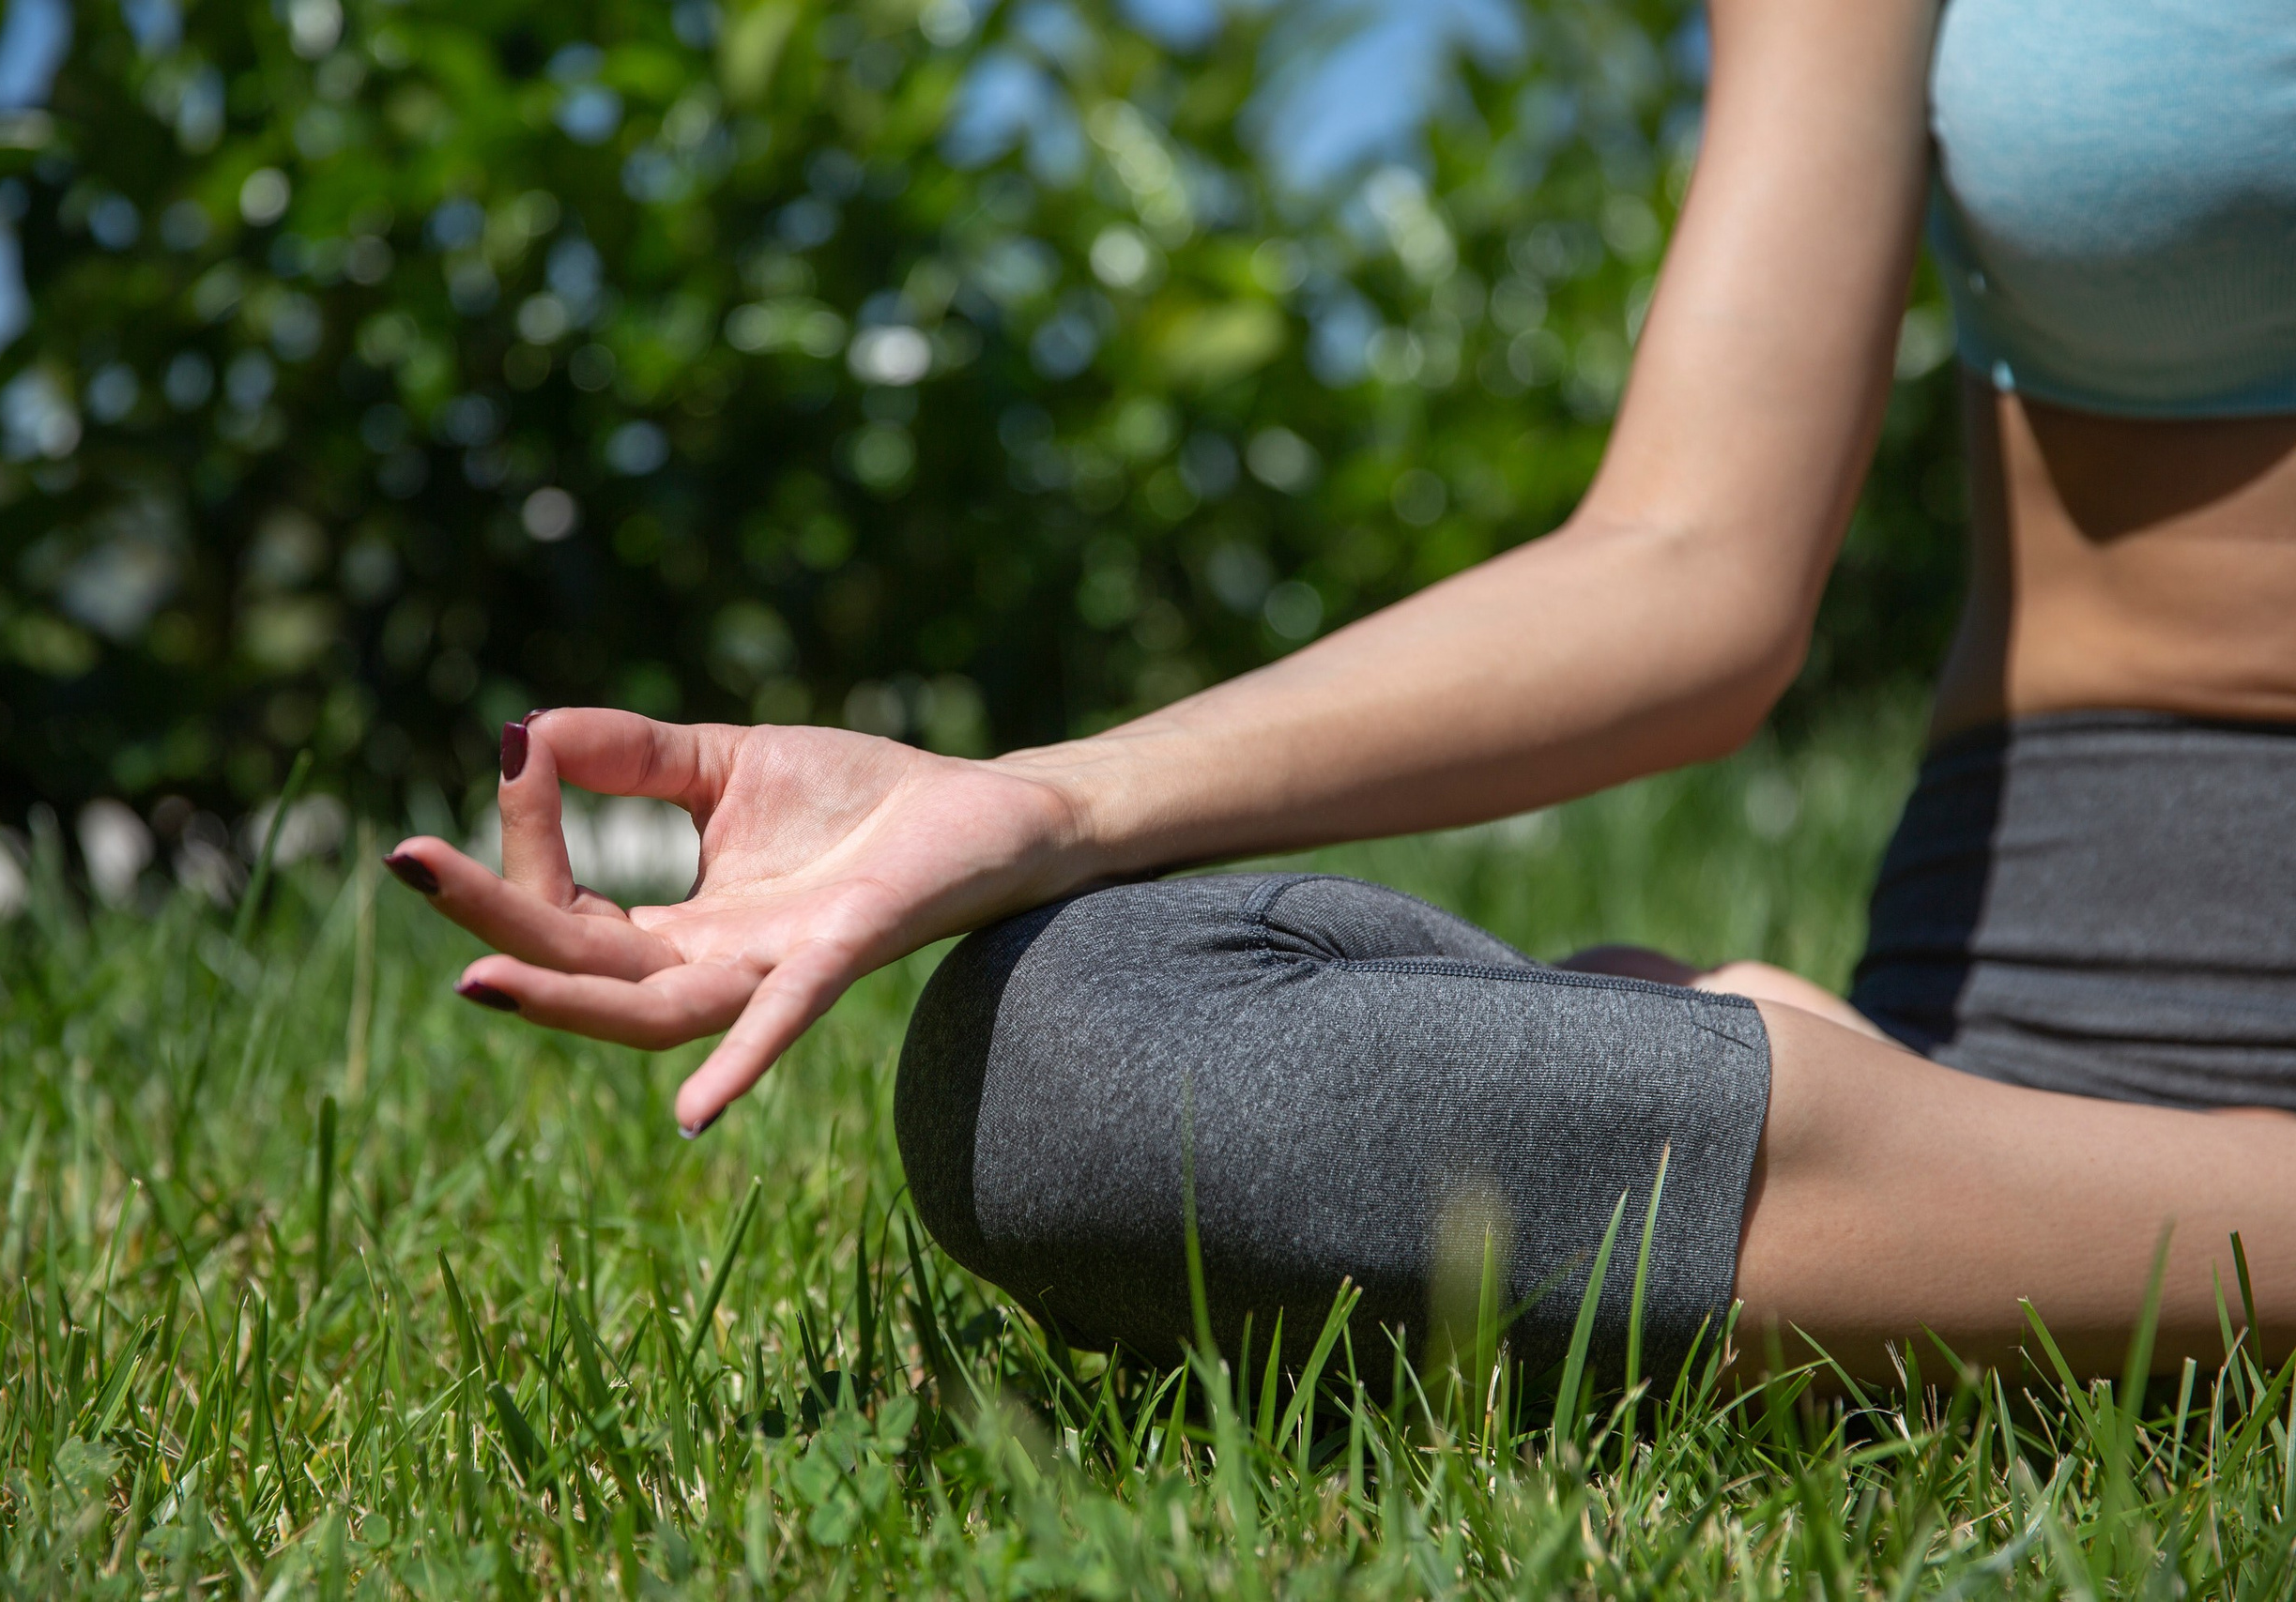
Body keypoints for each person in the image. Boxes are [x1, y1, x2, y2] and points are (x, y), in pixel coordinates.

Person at [378, 0, 2296, 1383]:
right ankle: (2049, 1217)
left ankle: (2106, 1268)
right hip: (2039, 1060)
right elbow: (1685, 567)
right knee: (1085, 1043)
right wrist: (1044, 798)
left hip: (1977, 1172)